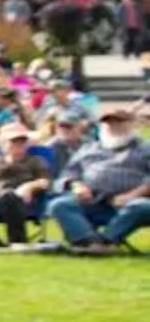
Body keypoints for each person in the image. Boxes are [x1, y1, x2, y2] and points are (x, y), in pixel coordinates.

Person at [43, 105, 150, 253]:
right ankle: (88, 242)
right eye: (108, 123)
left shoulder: (144, 149)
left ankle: (107, 241)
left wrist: (132, 195)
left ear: (130, 124)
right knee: (59, 205)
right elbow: (69, 173)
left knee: (142, 206)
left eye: (118, 122)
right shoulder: (89, 148)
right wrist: (77, 186)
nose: (113, 127)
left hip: (128, 204)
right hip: (92, 200)